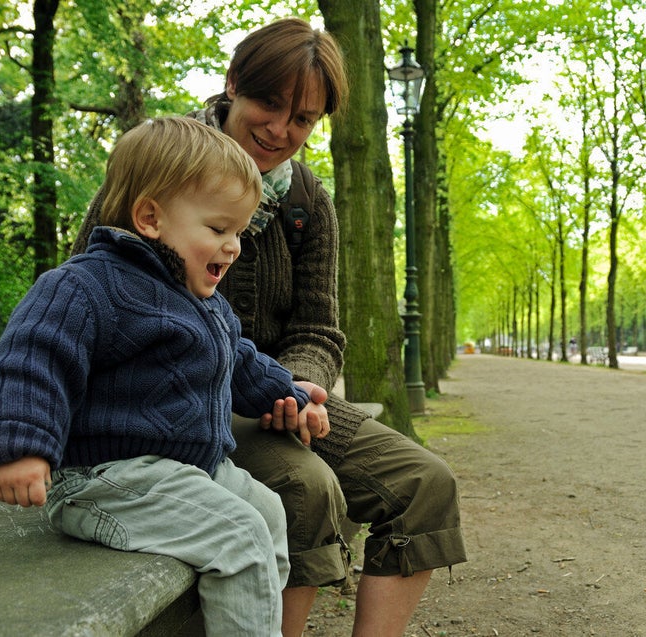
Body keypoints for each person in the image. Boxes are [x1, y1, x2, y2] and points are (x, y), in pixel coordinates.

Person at [73, 17, 467, 637]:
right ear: (234, 85)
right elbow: (88, 290)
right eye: (269, 102)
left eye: (304, 118)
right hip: (173, 402)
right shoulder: (159, 163)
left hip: (279, 394)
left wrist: (298, 388)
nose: (281, 129)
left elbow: (318, 328)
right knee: (306, 490)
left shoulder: (308, 203)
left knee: (425, 486)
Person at [0, 117, 331, 637]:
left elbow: (241, 361)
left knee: (268, 512)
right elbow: (31, 360)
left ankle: (252, 623)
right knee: (240, 536)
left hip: (187, 470)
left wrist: (291, 394)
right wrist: (20, 448)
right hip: (102, 479)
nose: (233, 247)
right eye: (217, 229)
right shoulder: (84, 285)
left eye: (239, 232)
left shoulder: (202, 304)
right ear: (149, 217)